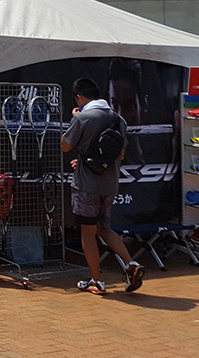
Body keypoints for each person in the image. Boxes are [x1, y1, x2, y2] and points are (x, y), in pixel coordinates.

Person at [60, 78, 143, 295]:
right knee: (103, 227)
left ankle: (96, 281)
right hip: (109, 184)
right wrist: (92, 160)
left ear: (79, 97)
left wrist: (75, 119)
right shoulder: (119, 119)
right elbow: (120, 154)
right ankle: (131, 264)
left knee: (88, 233)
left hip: (86, 184)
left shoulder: (83, 117)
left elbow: (65, 145)